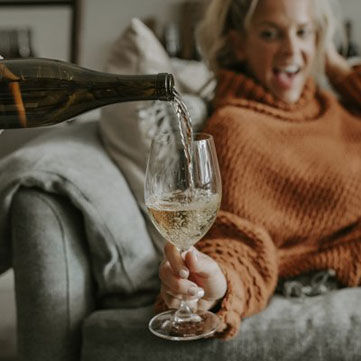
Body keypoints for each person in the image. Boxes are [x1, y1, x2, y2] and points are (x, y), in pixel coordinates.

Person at [155, 0, 361, 340]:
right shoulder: (237, 128)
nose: (291, 49)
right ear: (238, 43)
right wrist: (219, 285)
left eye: (303, 32)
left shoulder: (326, 103)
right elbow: (239, 240)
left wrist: (335, 67)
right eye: (270, 34)